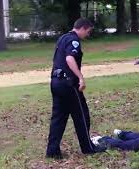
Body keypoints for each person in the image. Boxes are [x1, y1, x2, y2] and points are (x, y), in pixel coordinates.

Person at [46, 18, 103, 159]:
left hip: (56, 82)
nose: (87, 35)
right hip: (68, 84)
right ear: (83, 28)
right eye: (88, 32)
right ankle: (88, 148)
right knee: (81, 115)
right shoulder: (74, 40)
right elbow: (69, 59)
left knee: (58, 118)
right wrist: (80, 77)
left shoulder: (62, 38)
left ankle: (52, 151)